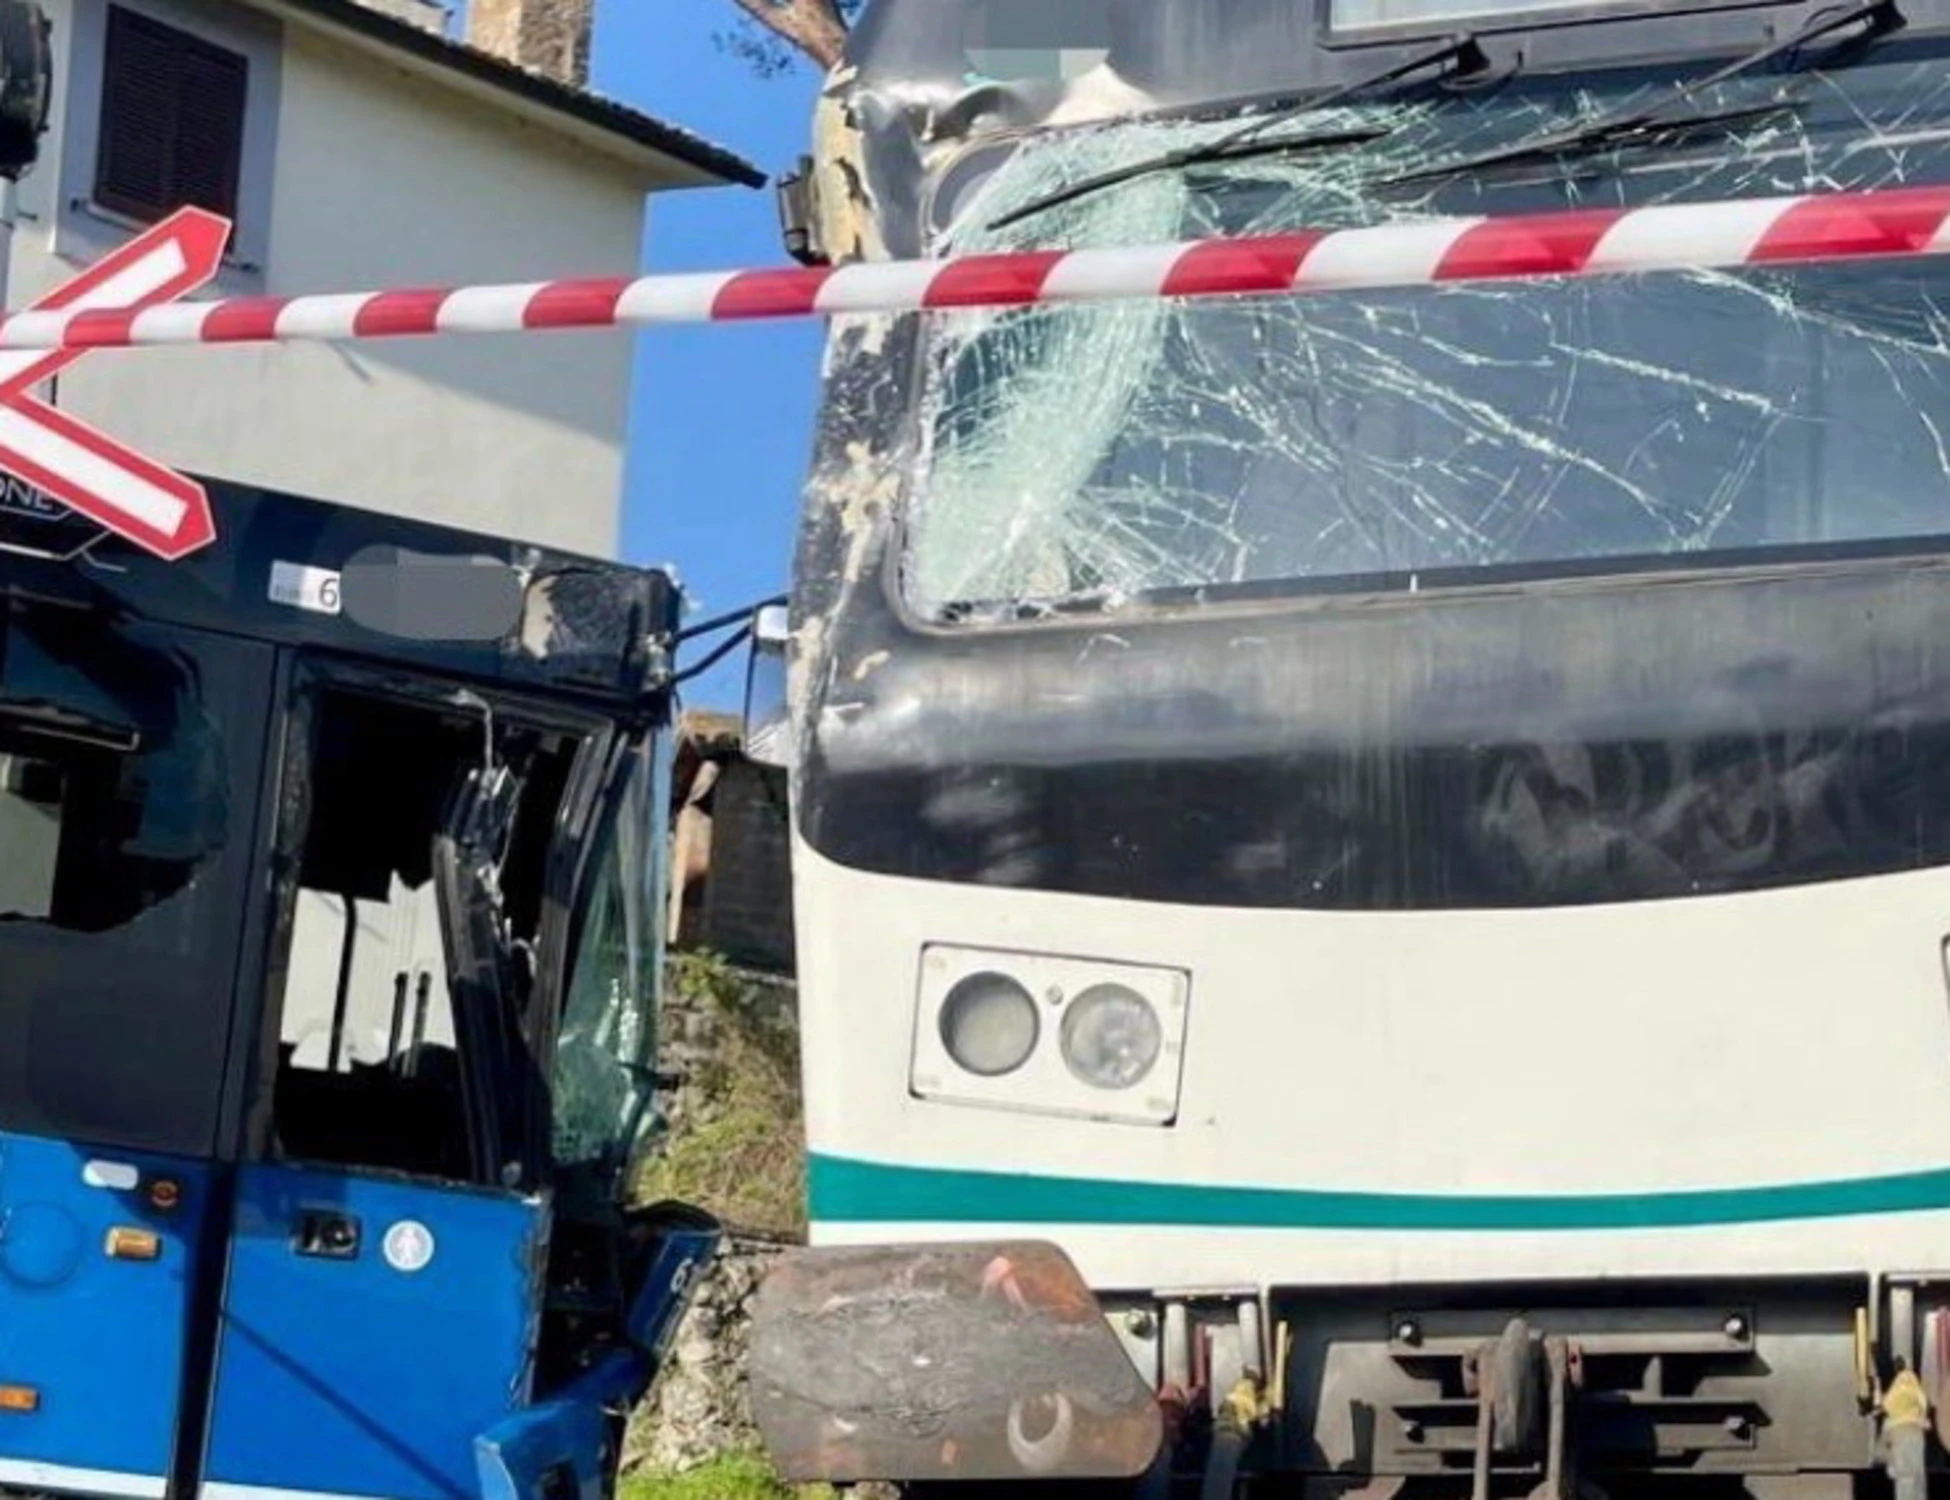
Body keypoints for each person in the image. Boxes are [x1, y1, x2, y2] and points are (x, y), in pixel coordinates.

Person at [1882, 1357, 1931, 1500]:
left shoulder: (1897, 1385)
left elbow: (1887, 1404)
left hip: (1899, 1430)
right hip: (1915, 1429)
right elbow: (1923, 1402)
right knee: (1918, 1472)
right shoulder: (1913, 1383)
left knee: (1903, 1473)